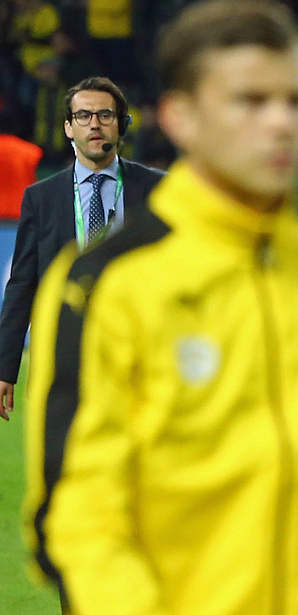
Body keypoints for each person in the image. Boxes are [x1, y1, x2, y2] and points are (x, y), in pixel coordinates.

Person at [21, 2, 298, 615]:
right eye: (251, 101)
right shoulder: (108, 285)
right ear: (180, 117)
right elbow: (73, 525)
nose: (282, 123)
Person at [0, 76, 163, 422]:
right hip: (62, 355)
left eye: (105, 115)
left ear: (122, 125)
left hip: (138, 355)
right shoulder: (41, 198)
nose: (95, 124)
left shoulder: (157, 190)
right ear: (68, 128)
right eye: (83, 116)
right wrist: (5, 366)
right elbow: (22, 284)